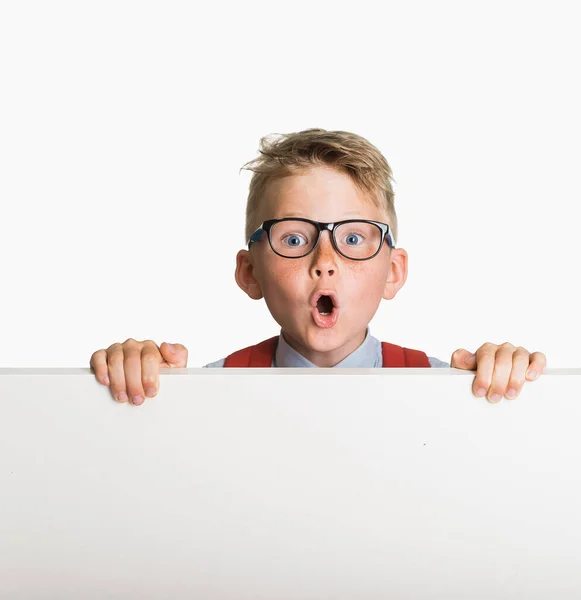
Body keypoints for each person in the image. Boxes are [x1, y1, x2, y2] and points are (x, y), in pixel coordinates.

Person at [90, 129, 546, 406]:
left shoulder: (446, 391)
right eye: (293, 238)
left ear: (393, 272)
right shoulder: (204, 393)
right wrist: (132, 389)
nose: (324, 263)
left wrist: (509, 394)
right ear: (250, 272)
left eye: (352, 238)